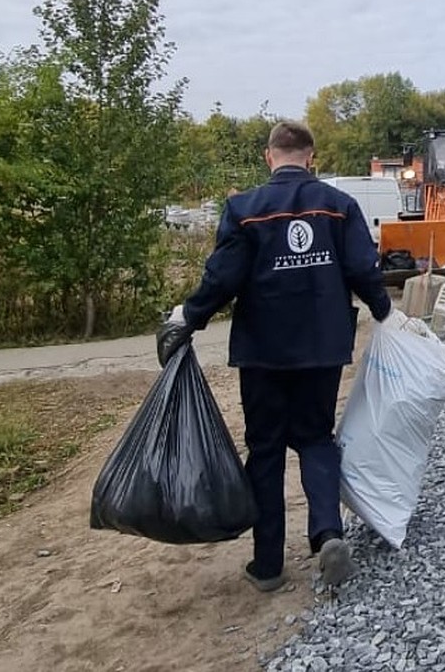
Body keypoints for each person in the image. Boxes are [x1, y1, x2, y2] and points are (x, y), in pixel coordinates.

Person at [155, 121, 394, 592]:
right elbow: (363, 270)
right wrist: (387, 315)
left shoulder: (244, 209)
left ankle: (267, 566)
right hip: (322, 349)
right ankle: (327, 533)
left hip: (262, 352)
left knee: (264, 449)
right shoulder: (340, 206)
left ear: (269, 157)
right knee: (316, 439)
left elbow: (222, 278)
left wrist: (188, 317)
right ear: (312, 156)